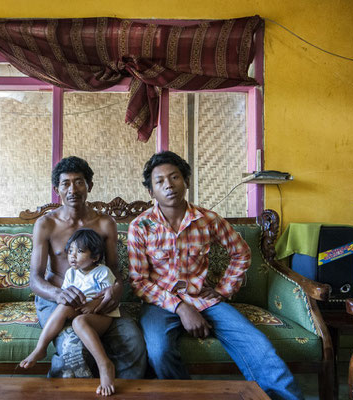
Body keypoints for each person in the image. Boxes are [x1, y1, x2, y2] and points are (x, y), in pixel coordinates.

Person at [127, 151, 304, 400]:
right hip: (161, 303)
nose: (168, 185)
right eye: (160, 181)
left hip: (205, 299)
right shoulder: (140, 226)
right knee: (158, 351)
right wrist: (180, 308)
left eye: (174, 177)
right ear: (151, 192)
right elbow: (139, 282)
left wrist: (223, 290)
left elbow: (241, 252)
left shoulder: (207, 219)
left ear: (186, 181)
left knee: (259, 347)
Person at [28, 156, 146, 380]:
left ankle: (121, 393)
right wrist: (59, 293)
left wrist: (116, 290)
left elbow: (114, 270)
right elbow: (35, 279)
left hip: (95, 298)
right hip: (57, 300)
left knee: (134, 341)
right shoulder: (46, 224)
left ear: (89, 186)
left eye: (79, 182)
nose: (73, 189)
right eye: (66, 183)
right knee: (72, 350)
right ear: (57, 189)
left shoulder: (105, 223)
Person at [21, 228, 119, 395]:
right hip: (80, 309)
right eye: (71, 250)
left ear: (95, 257)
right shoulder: (71, 273)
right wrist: (70, 303)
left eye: (80, 251)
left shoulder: (102, 272)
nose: (72, 256)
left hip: (102, 314)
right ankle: (41, 347)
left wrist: (93, 305)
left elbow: (108, 297)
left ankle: (104, 364)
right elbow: (66, 295)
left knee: (78, 322)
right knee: (63, 307)